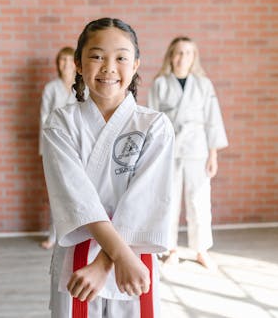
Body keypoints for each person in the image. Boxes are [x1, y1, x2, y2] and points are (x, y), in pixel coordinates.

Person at [42, 17, 175, 317]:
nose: (109, 67)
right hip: (79, 256)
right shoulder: (60, 124)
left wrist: (106, 263)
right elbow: (77, 198)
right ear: (78, 63)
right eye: (97, 56)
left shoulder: (154, 125)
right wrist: (118, 256)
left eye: (121, 58)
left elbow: (147, 201)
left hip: (133, 255)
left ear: (136, 64)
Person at [148, 36, 228, 269]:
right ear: (171, 55)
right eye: (179, 52)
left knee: (199, 200)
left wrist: (213, 155)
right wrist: (153, 156)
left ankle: (201, 249)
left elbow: (213, 120)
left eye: (188, 53)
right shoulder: (160, 84)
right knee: (168, 201)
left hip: (197, 149)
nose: (183, 57)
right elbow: (153, 121)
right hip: (168, 151)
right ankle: (170, 248)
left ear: (194, 57)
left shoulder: (204, 84)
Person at [39, 46, 77, 250]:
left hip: (78, 147)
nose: (65, 64)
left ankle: (75, 232)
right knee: (55, 192)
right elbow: (43, 119)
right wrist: (44, 149)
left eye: (69, 60)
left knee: (75, 190)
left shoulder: (84, 87)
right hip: (54, 145)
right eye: (61, 60)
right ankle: (53, 234)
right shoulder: (51, 88)